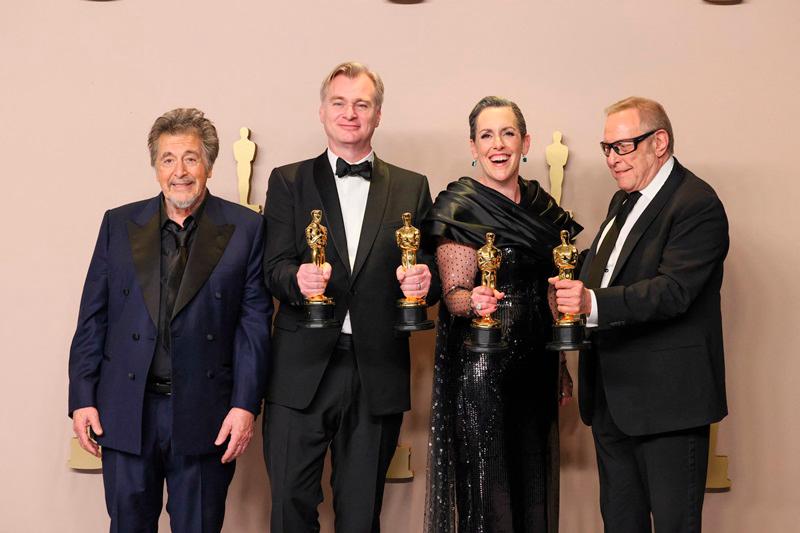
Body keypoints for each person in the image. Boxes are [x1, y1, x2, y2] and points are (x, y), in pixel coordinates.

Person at [68, 108, 272, 532]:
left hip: (206, 411)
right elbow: (93, 317)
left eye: (191, 158)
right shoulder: (119, 224)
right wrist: (83, 396)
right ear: (155, 167)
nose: (180, 171)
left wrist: (245, 405)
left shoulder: (246, 228)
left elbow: (253, 326)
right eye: (168, 159)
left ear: (209, 166)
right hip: (126, 408)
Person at [262, 61, 440, 532]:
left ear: (378, 115)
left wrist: (426, 285)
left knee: (361, 517)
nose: (350, 113)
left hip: (375, 372)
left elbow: (429, 278)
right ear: (322, 111)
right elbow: (271, 270)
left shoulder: (411, 186)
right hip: (299, 372)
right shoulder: (287, 181)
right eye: (339, 103)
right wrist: (296, 281)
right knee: (288, 512)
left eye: (362, 104)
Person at [551, 96, 729, 532]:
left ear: (660, 142)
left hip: (669, 405)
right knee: (620, 524)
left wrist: (592, 303)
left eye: (624, 146)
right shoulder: (622, 201)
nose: (613, 158)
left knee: (674, 525)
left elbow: (674, 291)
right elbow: (604, 270)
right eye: (607, 148)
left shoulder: (696, 203)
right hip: (613, 401)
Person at [423, 96, 581, 533]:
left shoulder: (543, 208)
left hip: (537, 370)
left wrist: (563, 367)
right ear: (473, 147)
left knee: (534, 493)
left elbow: (554, 289)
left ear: (525, 142)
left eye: (508, 133)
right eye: (487, 135)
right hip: (480, 373)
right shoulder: (460, 206)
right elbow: (453, 294)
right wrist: (472, 301)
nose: (498, 144)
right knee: (489, 500)